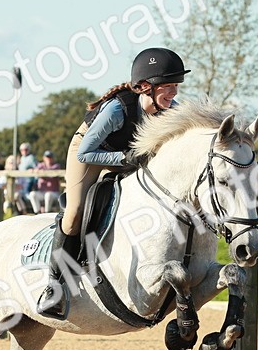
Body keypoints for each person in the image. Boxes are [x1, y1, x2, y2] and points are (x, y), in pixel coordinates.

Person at [36, 47, 189, 319]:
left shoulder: (170, 112)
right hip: (90, 152)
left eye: (176, 86)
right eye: (168, 86)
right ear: (145, 88)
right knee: (74, 214)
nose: (174, 93)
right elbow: (86, 151)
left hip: (129, 156)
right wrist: (123, 158)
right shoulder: (117, 109)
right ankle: (55, 286)